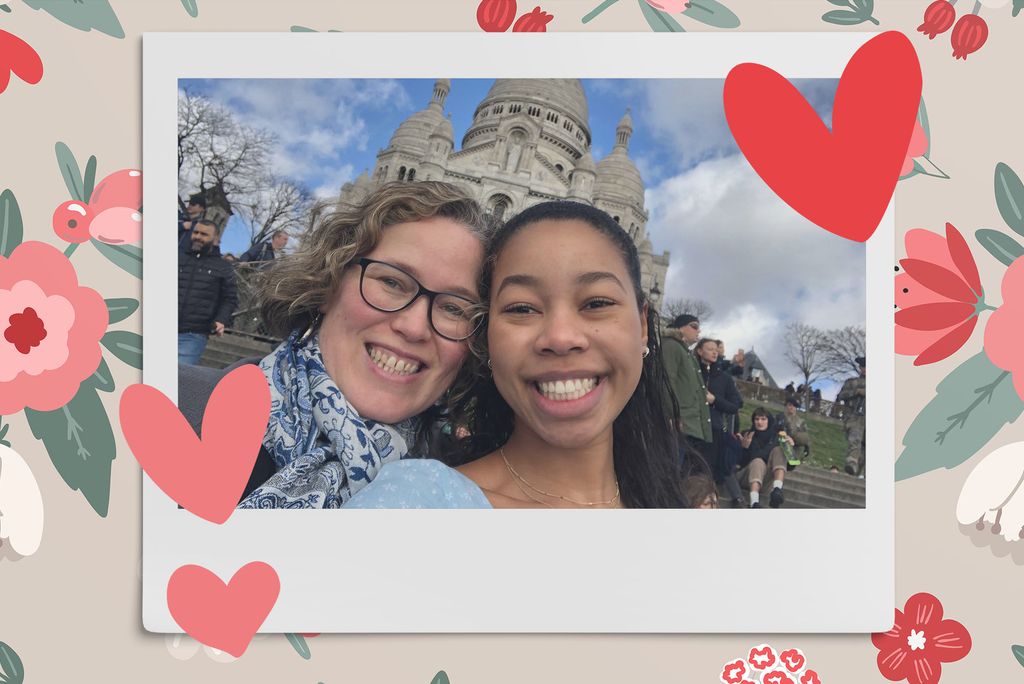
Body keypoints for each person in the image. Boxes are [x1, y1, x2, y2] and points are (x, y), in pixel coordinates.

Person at [346, 200, 689, 508]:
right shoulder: (416, 503)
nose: (560, 337)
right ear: (486, 338)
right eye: (522, 308)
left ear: (642, 325)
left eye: (597, 303)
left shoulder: (670, 509)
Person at [177, 182, 489, 508]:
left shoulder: (471, 495)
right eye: (392, 282)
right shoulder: (166, 403)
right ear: (330, 283)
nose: (413, 327)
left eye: (454, 308)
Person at [178, 219, 238, 365]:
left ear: (216, 239)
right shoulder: (177, 258)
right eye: (196, 232)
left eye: (204, 234)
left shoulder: (223, 267)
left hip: (193, 335)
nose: (198, 236)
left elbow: (229, 298)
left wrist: (221, 319)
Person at [694, 338, 743, 502]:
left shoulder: (724, 378)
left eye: (717, 349)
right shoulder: (691, 371)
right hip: (690, 427)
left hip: (713, 432)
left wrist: (715, 400)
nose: (715, 352)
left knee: (706, 472)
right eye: (710, 349)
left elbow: (735, 405)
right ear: (700, 350)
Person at [663, 313, 713, 468]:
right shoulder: (671, 345)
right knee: (671, 468)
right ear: (680, 328)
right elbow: (667, 381)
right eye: (694, 326)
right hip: (679, 422)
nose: (698, 331)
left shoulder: (686, 353)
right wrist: (670, 414)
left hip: (689, 425)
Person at [732, 407, 793, 508]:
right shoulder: (747, 435)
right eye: (757, 419)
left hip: (765, 481)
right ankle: (754, 502)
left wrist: (790, 449)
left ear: (769, 421)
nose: (759, 422)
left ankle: (777, 489)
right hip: (746, 477)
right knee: (758, 462)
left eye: (763, 419)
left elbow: (792, 466)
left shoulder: (778, 437)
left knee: (779, 450)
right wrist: (743, 448)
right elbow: (737, 463)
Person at [838, 356, 866, 477]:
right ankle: (852, 463)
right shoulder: (852, 382)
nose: (865, 369)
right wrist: (856, 392)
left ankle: (858, 471)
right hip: (855, 417)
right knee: (855, 441)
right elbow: (841, 396)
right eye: (863, 366)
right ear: (860, 368)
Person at [778, 397, 811, 462]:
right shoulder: (780, 417)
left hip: (795, 448)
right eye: (790, 405)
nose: (792, 407)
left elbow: (805, 437)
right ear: (786, 406)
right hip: (780, 445)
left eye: (794, 406)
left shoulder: (801, 421)